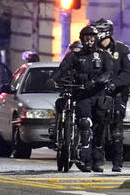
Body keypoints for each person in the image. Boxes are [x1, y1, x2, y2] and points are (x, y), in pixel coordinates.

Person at [53, 25, 113, 172]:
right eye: (86, 38)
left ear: (96, 38)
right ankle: (84, 158)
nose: (89, 41)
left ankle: (97, 160)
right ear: (82, 39)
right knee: (85, 123)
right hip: (82, 95)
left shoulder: (104, 55)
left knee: (99, 129)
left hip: (98, 95)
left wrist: (96, 81)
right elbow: (62, 70)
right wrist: (53, 79)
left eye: (92, 37)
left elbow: (108, 73)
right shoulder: (75, 56)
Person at [93, 18, 130, 172]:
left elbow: (127, 74)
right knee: (98, 127)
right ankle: (97, 160)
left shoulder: (122, 50)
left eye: (100, 31)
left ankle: (117, 161)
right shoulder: (94, 51)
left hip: (117, 94)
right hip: (99, 93)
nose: (97, 35)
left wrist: (114, 84)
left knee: (117, 129)